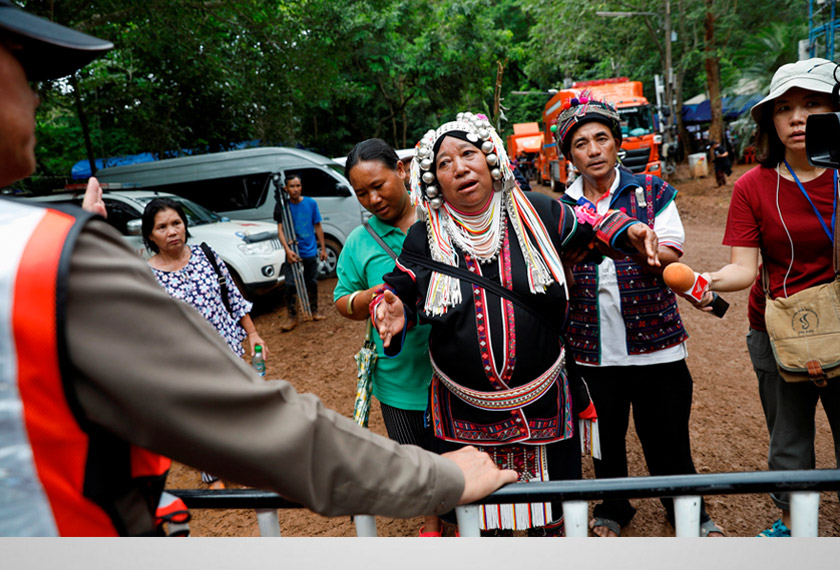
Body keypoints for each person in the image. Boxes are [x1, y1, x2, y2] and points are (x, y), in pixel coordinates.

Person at [0, 2, 517, 537]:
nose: (36, 95)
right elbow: (245, 421)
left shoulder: (41, 250)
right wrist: (435, 477)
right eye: (22, 67)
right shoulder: (45, 256)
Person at [372, 111, 660, 536]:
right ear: (434, 182)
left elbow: (593, 225)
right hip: (464, 411)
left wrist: (630, 231)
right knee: (482, 521)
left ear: (491, 160)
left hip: (544, 400)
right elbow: (404, 288)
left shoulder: (540, 213)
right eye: (444, 164)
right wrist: (394, 306)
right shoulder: (424, 238)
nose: (459, 168)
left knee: (553, 517)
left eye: (468, 154)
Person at [555, 93, 722, 538]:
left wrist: (633, 239)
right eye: (581, 143)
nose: (593, 150)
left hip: (657, 343)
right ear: (569, 155)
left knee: (667, 436)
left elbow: (669, 252)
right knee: (604, 439)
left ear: (617, 144)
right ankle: (613, 506)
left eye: (601, 139)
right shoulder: (559, 208)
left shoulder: (651, 192)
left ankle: (687, 509)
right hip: (592, 347)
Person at [696, 57, 840, 538]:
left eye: (812, 103)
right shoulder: (752, 187)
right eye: (785, 108)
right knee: (789, 436)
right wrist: (704, 280)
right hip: (777, 331)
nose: (797, 117)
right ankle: (792, 523)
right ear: (770, 121)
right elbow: (744, 269)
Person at [335, 138, 442, 537]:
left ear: (401, 169)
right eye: (361, 193)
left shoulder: (440, 219)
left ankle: (471, 518)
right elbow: (342, 301)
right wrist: (367, 298)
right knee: (415, 456)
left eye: (378, 185)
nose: (373, 199)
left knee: (460, 451)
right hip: (397, 376)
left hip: (453, 369)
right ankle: (432, 521)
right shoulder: (359, 243)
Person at [142, 197, 269, 490]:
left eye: (176, 223)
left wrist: (253, 334)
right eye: (162, 227)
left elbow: (233, 300)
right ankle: (213, 476)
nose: (172, 231)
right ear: (150, 235)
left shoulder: (207, 254)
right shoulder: (146, 276)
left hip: (228, 352)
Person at [274, 173, 328, 331]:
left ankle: (314, 311)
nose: (295, 189)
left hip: (309, 249)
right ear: (286, 188)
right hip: (293, 251)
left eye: (298, 186)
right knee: (290, 284)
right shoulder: (283, 206)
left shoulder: (311, 203)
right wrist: (287, 250)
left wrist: (322, 248)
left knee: (311, 281)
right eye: (292, 186)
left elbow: (318, 226)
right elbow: (280, 230)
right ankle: (292, 317)